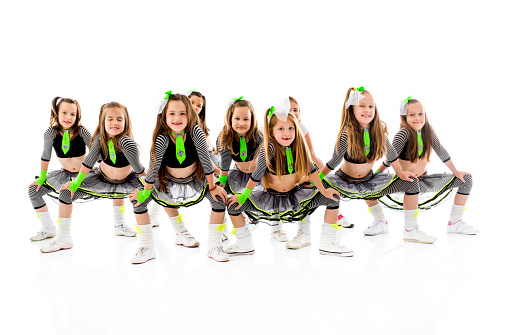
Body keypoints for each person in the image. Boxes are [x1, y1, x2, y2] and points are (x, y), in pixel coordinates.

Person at [227, 98, 350, 256]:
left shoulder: (298, 146)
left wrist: (324, 191)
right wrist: (243, 196)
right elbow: (256, 176)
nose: (287, 133)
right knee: (232, 206)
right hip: (270, 198)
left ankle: (328, 241)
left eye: (291, 128)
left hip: (294, 195)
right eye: (281, 129)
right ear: (272, 132)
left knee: (333, 198)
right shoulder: (269, 148)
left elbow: (312, 171)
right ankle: (244, 243)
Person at [319, 87, 436, 244]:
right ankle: (328, 233)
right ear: (351, 109)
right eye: (362, 106)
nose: (367, 110)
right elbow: (334, 161)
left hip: (368, 180)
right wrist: (317, 178)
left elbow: (392, 155)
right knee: (320, 190)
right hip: (345, 181)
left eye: (371, 106)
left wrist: (401, 173)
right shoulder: (347, 134)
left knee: (411, 183)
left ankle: (409, 230)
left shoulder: (378, 130)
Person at [129, 92, 228, 262]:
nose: (177, 118)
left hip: (195, 178)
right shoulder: (162, 139)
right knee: (138, 202)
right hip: (167, 180)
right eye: (172, 114)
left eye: (182, 113)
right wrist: (145, 192)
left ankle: (214, 246)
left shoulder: (196, 132)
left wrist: (213, 187)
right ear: (164, 116)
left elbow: (205, 160)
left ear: (189, 115)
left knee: (218, 200)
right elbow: (153, 169)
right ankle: (146, 246)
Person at [41, 102, 146, 254]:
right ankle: (63, 237)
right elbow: (88, 162)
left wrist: (148, 188)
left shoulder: (127, 143)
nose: (114, 123)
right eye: (110, 119)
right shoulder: (98, 140)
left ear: (126, 122)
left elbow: (139, 170)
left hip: (127, 181)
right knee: (66, 192)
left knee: (147, 196)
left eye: (119, 119)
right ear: (102, 121)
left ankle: (144, 236)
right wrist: (75, 183)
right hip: (101, 179)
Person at [377, 97, 477, 234]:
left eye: (420, 113)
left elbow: (441, 151)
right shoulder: (403, 134)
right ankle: (382, 222)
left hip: (423, 180)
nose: (417, 118)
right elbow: (390, 159)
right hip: (404, 183)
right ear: (404, 117)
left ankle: (455, 222)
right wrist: (377, 174)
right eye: (412, 115)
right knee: (366, 189)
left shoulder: (427, 130)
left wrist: (456, 171)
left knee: (466, 180)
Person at [28, 97, 91, 241]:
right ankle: (48, 228)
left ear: (77, 116)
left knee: (114, 188)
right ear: (56, 113)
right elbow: (45, 156)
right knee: (33, 191)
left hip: (84, 175)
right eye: (64, 112)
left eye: (72, 114)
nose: (68, 117)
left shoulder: (82, 131)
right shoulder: (51, 133)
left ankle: (119, 224)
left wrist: (107, 172)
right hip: (65, 174)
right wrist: (42, 177)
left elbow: (96, 153)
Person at [215, 97, 263, 256]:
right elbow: (225, 163)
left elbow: (267, 163)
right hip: (240, 173)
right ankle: (223, 229)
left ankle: (276, 228)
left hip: (262, 175)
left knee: (270, 199)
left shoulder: (259, 136)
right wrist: (221, 182)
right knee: (216, 192)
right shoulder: (225, 137)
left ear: (252, 120)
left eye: (245, 119)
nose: (241, 123)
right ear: (230, 118)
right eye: (237, 118)